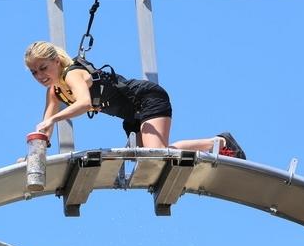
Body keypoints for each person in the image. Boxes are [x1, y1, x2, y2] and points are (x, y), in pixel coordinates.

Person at [24, 41, 246, 158]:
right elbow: (44, 131)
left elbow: (82, 103)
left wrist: (53, 120)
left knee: (157, 154)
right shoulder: (54, 91)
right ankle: (217, 144)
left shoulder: (72, 74)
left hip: (146, 98)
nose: (40, 76)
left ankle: (220, 142)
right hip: (131, 113)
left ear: (56, 61)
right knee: (151, 160)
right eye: (34, 72)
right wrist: (34, 157)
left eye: (43, 68)